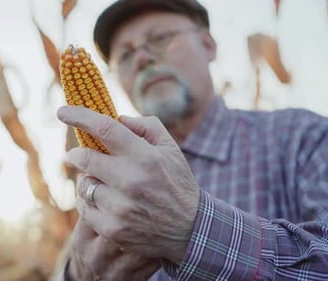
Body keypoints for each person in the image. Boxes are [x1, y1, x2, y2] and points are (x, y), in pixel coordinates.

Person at [56, 0, 328, 280]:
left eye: (160, 38)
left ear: (208, 45)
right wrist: (78, 274)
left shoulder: (304, 137)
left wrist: (191, 228)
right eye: (125, 56)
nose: (142, 59)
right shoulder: (110, 187)